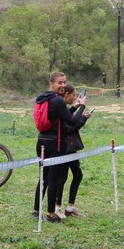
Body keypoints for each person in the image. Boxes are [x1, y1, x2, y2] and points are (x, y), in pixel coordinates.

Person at [32, 71, 67, 222]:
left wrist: (73, 108)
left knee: (44, 178)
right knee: (54, 179)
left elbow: (58, 117)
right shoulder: (58, 100)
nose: (63, 85)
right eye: (60, 83)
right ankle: (51, 214)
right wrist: (82, 109)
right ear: (51, 84)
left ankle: (36, 210)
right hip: (55, 143)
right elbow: (70, 121)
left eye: (64, 82)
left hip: (42, 141)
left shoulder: (42, 98)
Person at [55, 84, 89, 217]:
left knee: (78, 175)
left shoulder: (66, 108)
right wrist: (82, 111)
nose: (74, 97)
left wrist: (82, 116)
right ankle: (57, 207)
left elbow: (72, 123)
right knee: (62, 178)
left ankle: (70, 207)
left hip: (72, 148)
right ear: (66, 94)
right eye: (73, 95)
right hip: (65, 148)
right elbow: (70, 128)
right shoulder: (60, 107)